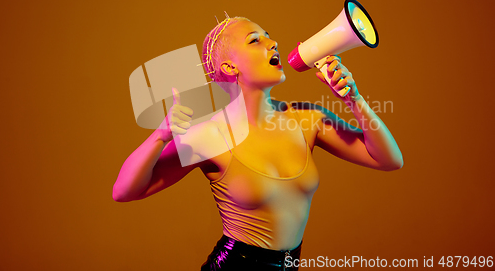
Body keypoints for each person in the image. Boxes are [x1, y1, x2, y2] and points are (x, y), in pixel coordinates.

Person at [112, 16, 403, 271]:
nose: (273, 42)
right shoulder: (210, 136)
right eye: (255, 40)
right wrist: (160, 136)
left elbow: (388, 160)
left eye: (268, 35)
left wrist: (354, 99)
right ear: (229, 65)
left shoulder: (307, 119)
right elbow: (124, 191)